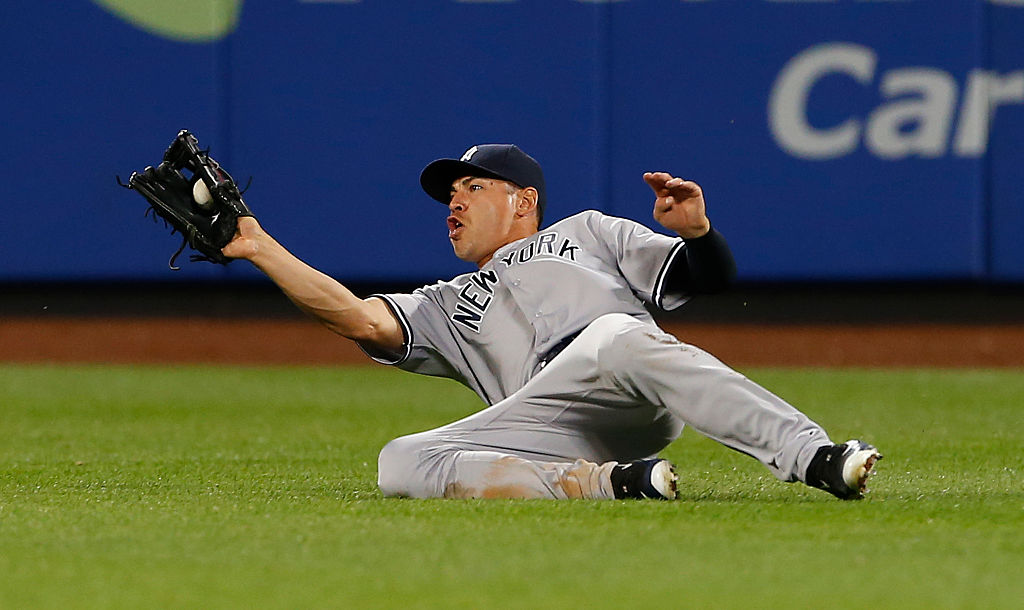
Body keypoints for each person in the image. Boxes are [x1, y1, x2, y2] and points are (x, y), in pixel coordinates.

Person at [223, 144, 881, 500]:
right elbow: (359, 320)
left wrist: (700, 233)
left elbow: (705, 280)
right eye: (450, 194)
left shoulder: (586, 231)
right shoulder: (446, 303)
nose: (454, 201)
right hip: (550, 420)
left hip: (625, 372)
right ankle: (610, 485)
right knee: (401, 462)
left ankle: (815, 457)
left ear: (524, 201)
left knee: (617, 338)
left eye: (471, 187)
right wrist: (260, 248)